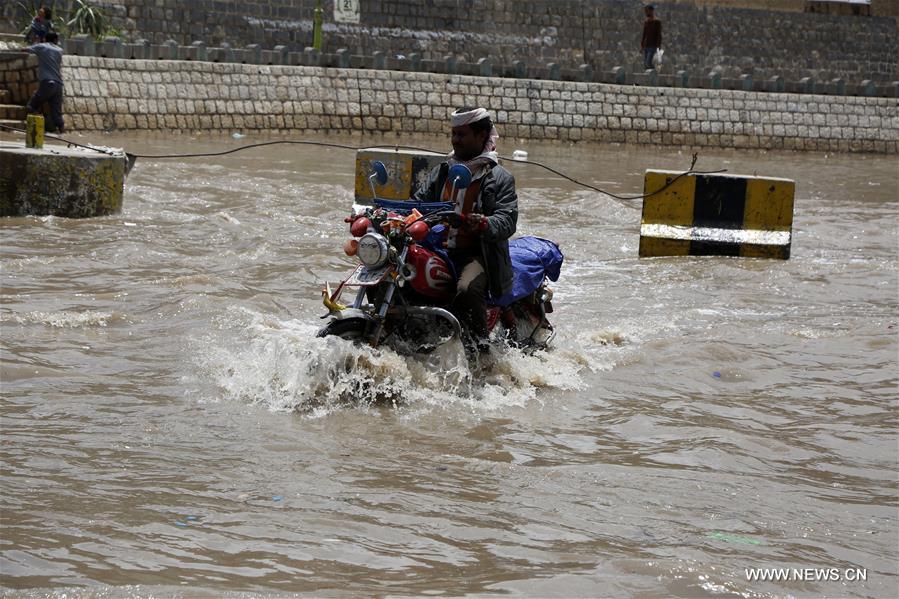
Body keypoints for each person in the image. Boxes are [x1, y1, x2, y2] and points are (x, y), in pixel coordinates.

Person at [412, 107, 518, 357]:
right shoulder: (442, 171)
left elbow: (507, 221)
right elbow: (417, 204)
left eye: (462, 135)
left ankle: (480, 352)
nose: (455, 140)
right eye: (453, 134)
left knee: (467, 289)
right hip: (436, 249)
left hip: (477, 254)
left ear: (481, 136)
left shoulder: (499, 177)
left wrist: (482, 223)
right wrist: (386, 215)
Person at [22, 31, 65, 134]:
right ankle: (62, 131)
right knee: (56, 112)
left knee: (31, 106)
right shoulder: (60, 50)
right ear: (56, 40)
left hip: (47, 82)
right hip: (58, 84)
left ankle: (37, 126)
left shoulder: (41, 47)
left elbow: (24, 50)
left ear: (45, 39)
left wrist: (36, 43)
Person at [640, 4, 662, 71]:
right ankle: (650, 75)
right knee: (646, 64)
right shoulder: (646, 22)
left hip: (653, 46)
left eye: (647, 11)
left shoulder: (657, 22)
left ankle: (654, 73)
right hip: (647, 45)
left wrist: (658, 46)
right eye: (645, 11)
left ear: (651, 11)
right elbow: (644, 35)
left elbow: (659, 35)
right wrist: (642, 46)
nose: (646, 13)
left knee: (648, 63)